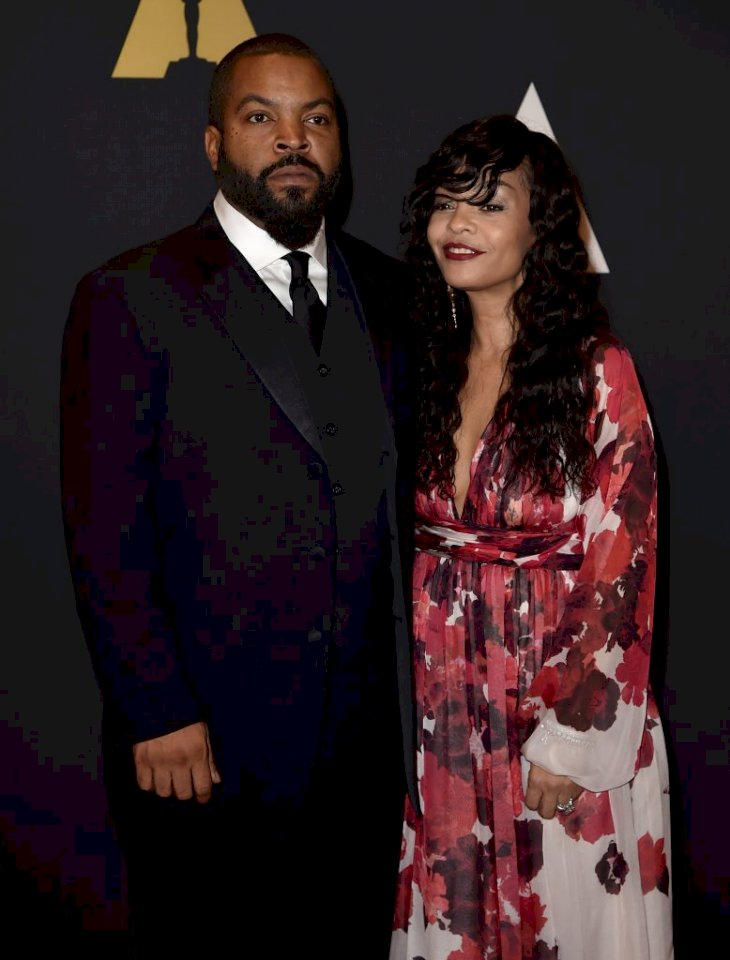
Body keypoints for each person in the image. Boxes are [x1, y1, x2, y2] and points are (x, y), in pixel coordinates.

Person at [60, 33, 417, 958]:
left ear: (341, 144)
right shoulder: (131, 295)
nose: (292, 140)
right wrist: (155, 709)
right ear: (216, 144)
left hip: (368, 751)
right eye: (263, 118)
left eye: (317, 120)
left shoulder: (398, 292)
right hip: (204, 749)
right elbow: (105, 526)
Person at [390, 115, 673, 959]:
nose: (458, 224)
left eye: (487, 204)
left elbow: (622, 559)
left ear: (539, 225)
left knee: (567, 917)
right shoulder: (424, 362)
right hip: (445, 714)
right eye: (445, 203)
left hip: (557, 710)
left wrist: (572, 742)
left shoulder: (598, 369)